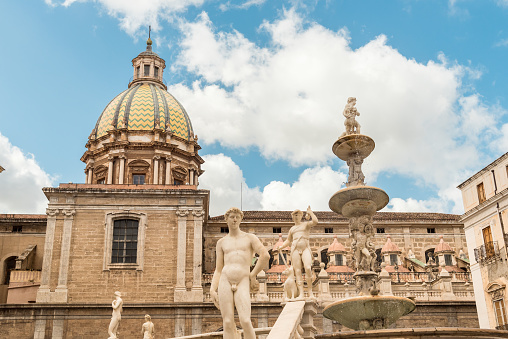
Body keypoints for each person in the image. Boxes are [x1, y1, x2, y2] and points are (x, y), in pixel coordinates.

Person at [210, 207, 270, 339]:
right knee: (227, 322)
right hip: (225, 279)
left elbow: (265, 255)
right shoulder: (221, 243)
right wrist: (212, 289)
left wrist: (253, 274)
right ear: (226, 219)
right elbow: (218, 269)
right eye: (232, 217)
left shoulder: (250, 238)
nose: (235, 219)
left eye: (237, 217)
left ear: (241, 219)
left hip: (243, 279)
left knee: (245, 320)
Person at [277, 206, 318, 299]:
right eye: (295, 215)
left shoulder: (306, 225)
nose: (297, 216)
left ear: (301, 216)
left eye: (298, 215)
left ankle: (310, 292)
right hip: (294, 249)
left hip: (305, 248)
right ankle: (301, 294)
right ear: (293, 217)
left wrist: (310, 212)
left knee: (308, 268)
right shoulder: (292, 229)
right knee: (297, 271)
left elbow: (315, 221)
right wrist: (281, 246)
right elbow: (288, 240)